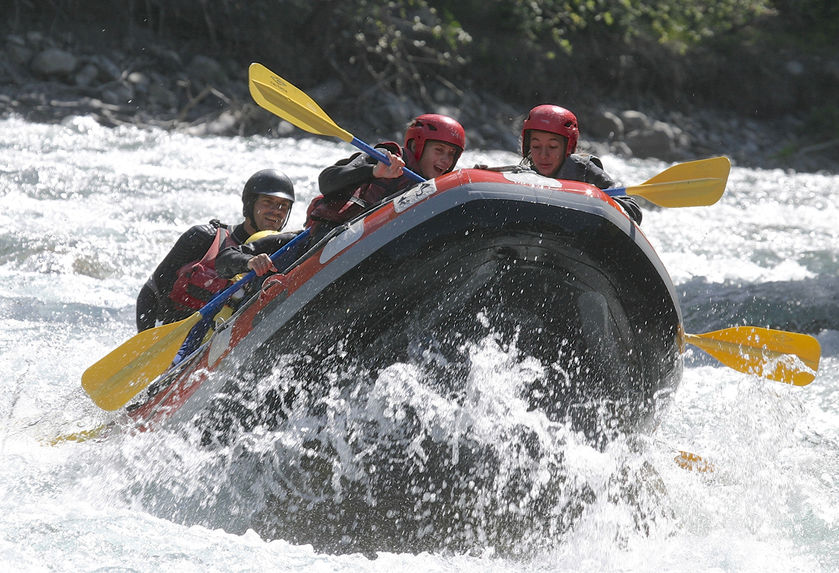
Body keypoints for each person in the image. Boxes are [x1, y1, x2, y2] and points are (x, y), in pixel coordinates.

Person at [135, 169, 296, 332]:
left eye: (283, 206)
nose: (276, 211)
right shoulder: (204, 237)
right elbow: (152, 292)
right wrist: (144, 340)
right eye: (267, 202)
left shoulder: (286, 253)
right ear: (249, 204)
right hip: (180, 337)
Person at [305, 113, 466, 243]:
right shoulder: (384, 159)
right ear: (416, 146)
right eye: (439, 150)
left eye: (451, 154)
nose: (446, 160)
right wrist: (373, 171)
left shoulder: (440, 188)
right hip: (334, 238)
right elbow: (326, 181)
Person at [520, 104, 642, 224]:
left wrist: (595, 201)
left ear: (568, 148)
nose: (543, 155)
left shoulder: (583, 170)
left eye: (552, 147)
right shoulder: (524, 174)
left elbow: (633, 210)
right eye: (536, 146)